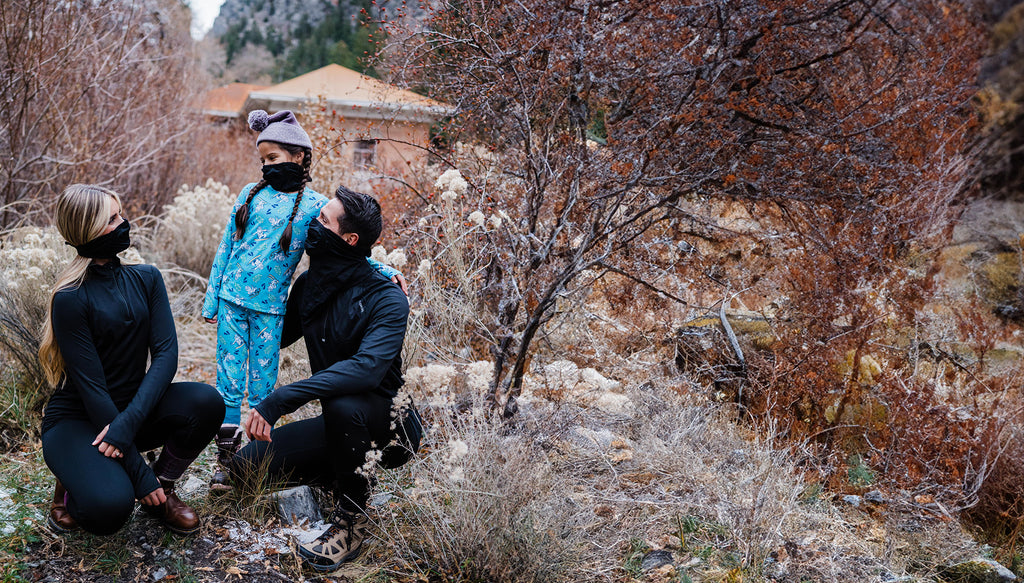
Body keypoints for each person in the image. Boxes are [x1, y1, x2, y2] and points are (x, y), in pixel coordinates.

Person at [202, 110, 403, 491]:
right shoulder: (250, 194)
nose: (266, 167)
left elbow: (350, 243)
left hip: (272, 309)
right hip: (231, 300)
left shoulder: (315, 206)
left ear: (298, 156)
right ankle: (225, 457)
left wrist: (383, 269)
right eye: (262, 160)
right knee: (228, 381)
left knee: (262, 385)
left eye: (274, 158)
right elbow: (226, 245)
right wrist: (212, 299)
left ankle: (255, 453)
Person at [231, 186, 409, 571]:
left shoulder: (387, 297)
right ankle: (346, 470)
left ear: (349, 239)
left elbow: (367, 369)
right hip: (340, 425)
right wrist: (237, 297)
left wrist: (282, 399)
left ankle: (352, 520)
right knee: (246, 468)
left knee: (346, 403)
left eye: (322, 221)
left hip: (389, 427)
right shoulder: (310, 286)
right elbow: (273, 337)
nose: (312, 224)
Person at [38, 184, 224, 536]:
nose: (124, 223)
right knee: (109, 509)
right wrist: (136, 474)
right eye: (113, 219)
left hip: (128, 415)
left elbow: (166, 356)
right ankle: (71, 482)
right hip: (80, 422)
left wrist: (127, 430)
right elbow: (91, 390)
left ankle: (162, 488)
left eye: (120, 213)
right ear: (88, 230)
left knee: (206, 402)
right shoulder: (69, 298)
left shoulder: (147, 278)